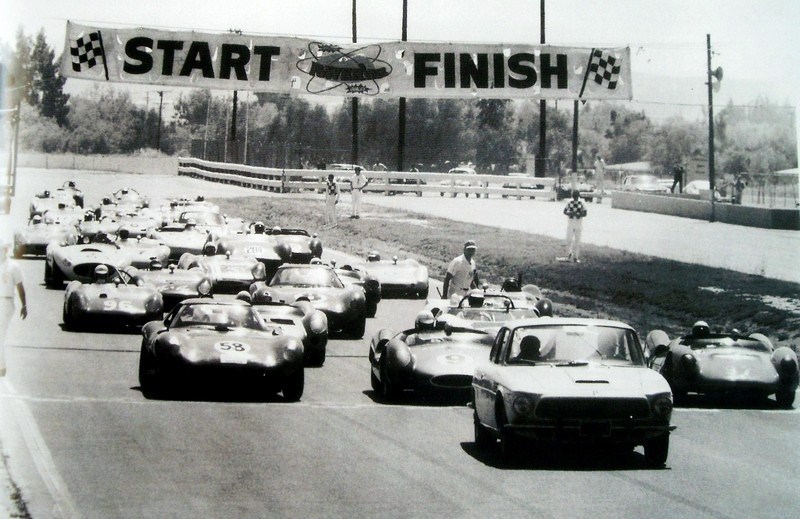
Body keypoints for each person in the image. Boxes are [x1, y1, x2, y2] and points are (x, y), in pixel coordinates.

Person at [0, 240, 27, 377]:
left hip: (6, 302)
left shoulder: (13, 266)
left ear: (6, 250)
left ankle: (2, 367)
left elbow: (20, 286)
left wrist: (24, 305)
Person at [563, 190, 587, 263]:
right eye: (574, 196)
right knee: (568, 239)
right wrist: (570, 213)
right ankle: (569, 254)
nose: (575, 198)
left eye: (576, 196)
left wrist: (578, 214)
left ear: (578, 196)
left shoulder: (582, 202)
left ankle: (576, 257)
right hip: (570, 223)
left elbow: (585, 213)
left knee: (577, 240)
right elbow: (564, 211)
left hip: (578, 223)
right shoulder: (569, 202)